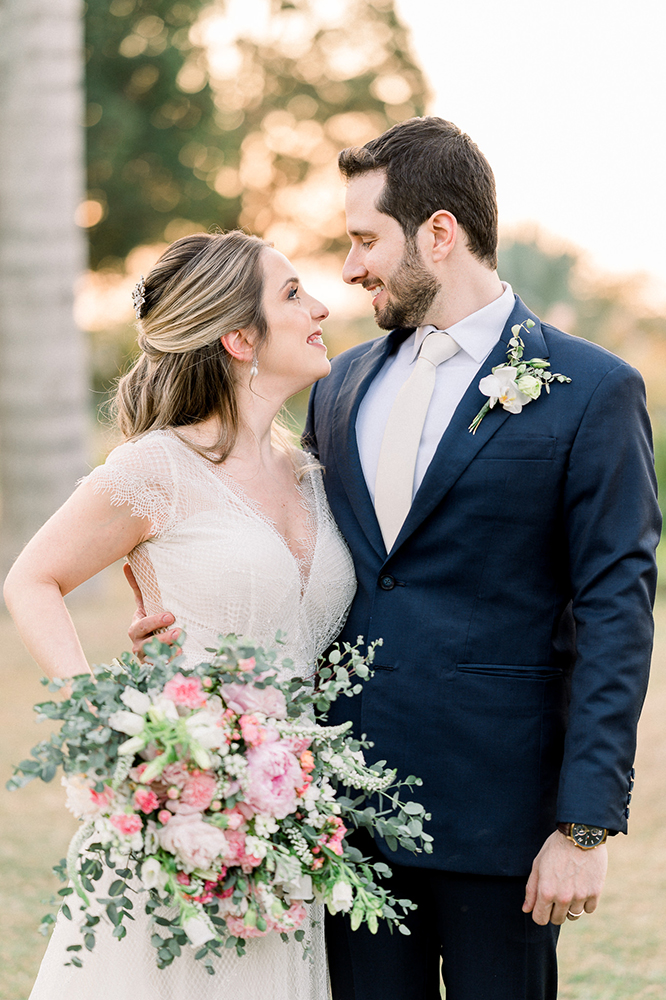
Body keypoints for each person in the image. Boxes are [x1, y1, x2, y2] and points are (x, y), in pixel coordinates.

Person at [127, 119, 661, 999]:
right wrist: (172, 611)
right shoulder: (338, 386)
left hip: (506, 830)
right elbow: (277, 536)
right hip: (343, 822)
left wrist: (584, 827)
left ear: (440, 234)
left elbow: (617, 608)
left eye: (365, 239)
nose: (349, 268)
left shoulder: (594, 390)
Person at [3, 230, 356, 1000]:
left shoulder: (314, 473)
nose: (322, 305)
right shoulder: (156, 467)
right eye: (293, 294)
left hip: (295, 827)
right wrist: (114, 733)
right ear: (238, 337)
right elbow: (30, 580)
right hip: (181, 813)